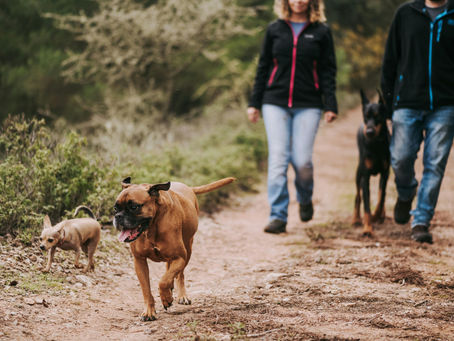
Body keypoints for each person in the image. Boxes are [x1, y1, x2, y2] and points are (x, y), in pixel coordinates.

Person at [247, 0, 338, 234]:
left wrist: (330, 104)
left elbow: (328, 69)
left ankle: (305, 197)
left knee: (302, 161)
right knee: (278, 159)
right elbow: (263, 66)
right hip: (274, 102)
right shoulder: (275, 29)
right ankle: (278, 215)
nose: (298, 1)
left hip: (308, 104)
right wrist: (254, 103)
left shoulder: (321, 32)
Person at [381, 0, 454, 244]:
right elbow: (390, 59)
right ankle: (405, 192)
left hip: (446, 105)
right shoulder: (405, 13)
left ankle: (421, 220)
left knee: (435, 165)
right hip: (407, 102)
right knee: (400, 158)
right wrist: (388, 104)